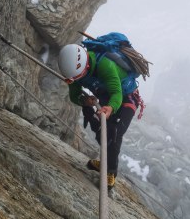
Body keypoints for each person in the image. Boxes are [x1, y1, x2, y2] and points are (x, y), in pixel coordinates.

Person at [58, 43, 144, 190]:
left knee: (115, 132)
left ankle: (110, 172)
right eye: (74, 78)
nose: (77, 80)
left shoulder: (105, 66)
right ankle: (105, 163)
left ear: (85, 68)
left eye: (79, 77)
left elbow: (117, 94)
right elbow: (74, 95)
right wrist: (83, 100)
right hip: (106, 93)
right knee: (101, 131)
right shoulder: (75, 72)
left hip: (127, 97)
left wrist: (110, 107)